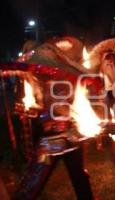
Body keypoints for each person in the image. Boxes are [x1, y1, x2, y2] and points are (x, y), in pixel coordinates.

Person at [10, 36, 95, 200]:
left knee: (74, 177)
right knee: (43, 178)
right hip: (61, 137)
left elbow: (62, 107)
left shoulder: (61, 81)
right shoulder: (42, 81)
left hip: (63, 137)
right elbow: (43, 107)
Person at [89, 37, 115, 119]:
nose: (110, 60)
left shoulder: (113, 67)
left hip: (114, 85)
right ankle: (107, 118)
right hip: (105, 85)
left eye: (112, 57)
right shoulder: (102, 68)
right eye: (107, 57)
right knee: (105, 103)